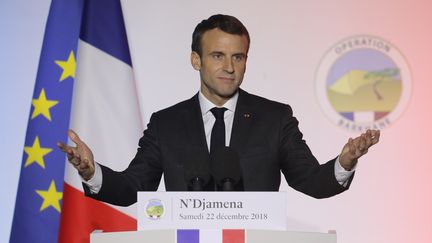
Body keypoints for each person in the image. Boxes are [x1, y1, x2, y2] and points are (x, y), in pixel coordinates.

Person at [58, 14, 380, 207]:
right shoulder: (166, 124)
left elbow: (311, 180)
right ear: (196, 60)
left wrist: (344, 163)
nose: (229, 67)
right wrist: (91, 172)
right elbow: (133, 187)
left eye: (238, 57)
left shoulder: (275, 119)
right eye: (217, 56)